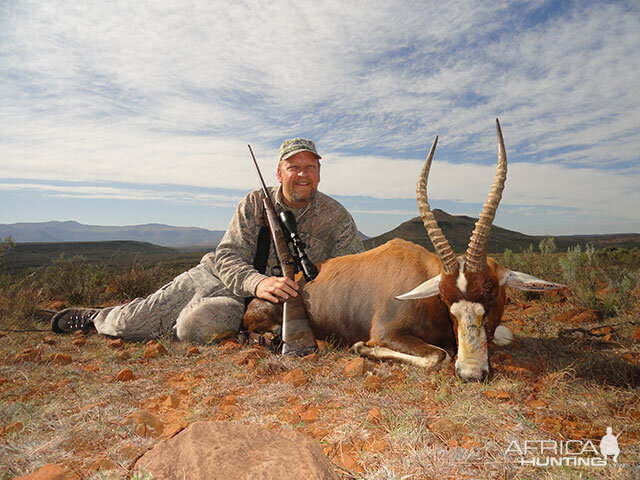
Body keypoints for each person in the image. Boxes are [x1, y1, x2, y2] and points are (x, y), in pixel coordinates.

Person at [50, 138, 364, 342]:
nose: (303, 174)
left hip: (269, 305)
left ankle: (215, 328)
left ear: (319, 174)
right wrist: (258, 283)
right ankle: (98, 317)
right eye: (294, 167)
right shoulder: (255, 203)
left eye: (310, 167)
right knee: (128, 324)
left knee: (193, 328)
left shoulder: (337, 216)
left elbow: (352, 275)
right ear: (279, 173)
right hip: (217, 279)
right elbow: (227, 255)